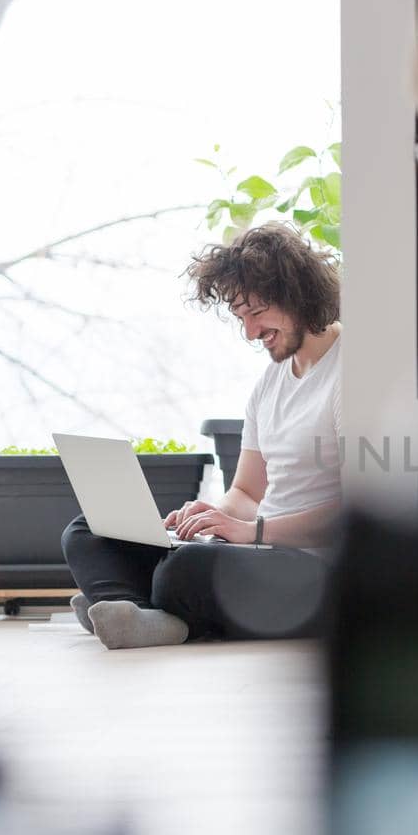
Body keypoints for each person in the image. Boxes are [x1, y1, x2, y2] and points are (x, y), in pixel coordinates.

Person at [61, 223, 342, 649]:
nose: (249, 332)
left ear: (297, 295)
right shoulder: (271, 382)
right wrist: (207, 519)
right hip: (260, 551)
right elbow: (247, 492)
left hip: (318, 568)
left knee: (185, 570)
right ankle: (133, 611)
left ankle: (131, 602)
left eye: (257, 312)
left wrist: (254, 533)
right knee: (89, 531)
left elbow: (360, 513)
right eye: (240, 317)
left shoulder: (357, 371)